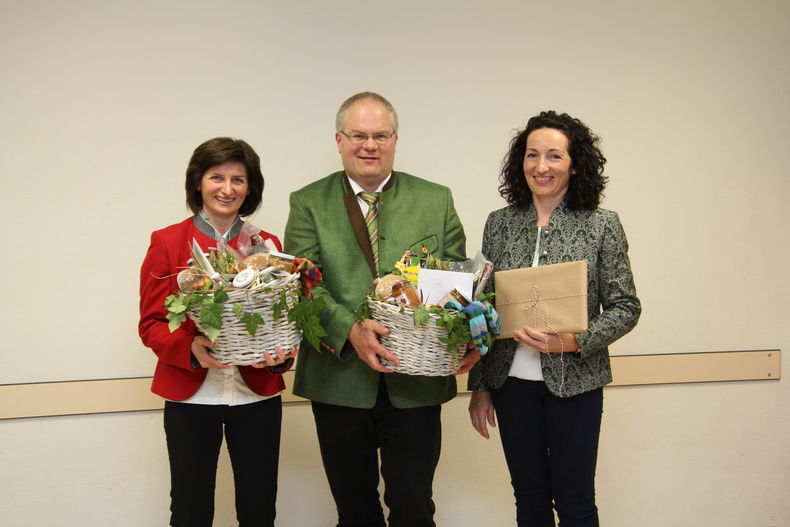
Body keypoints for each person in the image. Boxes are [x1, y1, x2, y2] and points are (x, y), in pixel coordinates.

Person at [284, 91, 479, 527]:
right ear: (338, 140)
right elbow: (303, 285)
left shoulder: (437, 198)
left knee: (413, 507)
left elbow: (457, 284)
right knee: (354, 510)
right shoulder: (308, 202)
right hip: (339, 380)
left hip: (416, 386)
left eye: (380, 135)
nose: (368, 145)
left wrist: (467, 333)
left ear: (395, 140)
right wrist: (352, 328)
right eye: (358, 135)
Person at [468, 111, 641, 527]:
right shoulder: (500, 224)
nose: (541, 166)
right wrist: (481, 386)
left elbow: (626, 306)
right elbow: (482, 308)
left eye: (553, 156)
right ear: (520, 162)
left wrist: (574, 340)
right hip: (511, 387)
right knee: (528, 500)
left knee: (576, 502)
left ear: (575, 163)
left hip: (576, 385)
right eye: (532, 155)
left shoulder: (602, 225)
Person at [138, 137, 296, 527]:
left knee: (260, 510)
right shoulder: (168, 242)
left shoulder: (269, 246)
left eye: (238, 180)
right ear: (198, 182)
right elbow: (150, 323)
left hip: (256, 395)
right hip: (190, 397)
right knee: (190, 511)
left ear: (250, 187)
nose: (227, 189)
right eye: (217, 177)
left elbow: (284, 319)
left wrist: (283, 358)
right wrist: (189, 345)